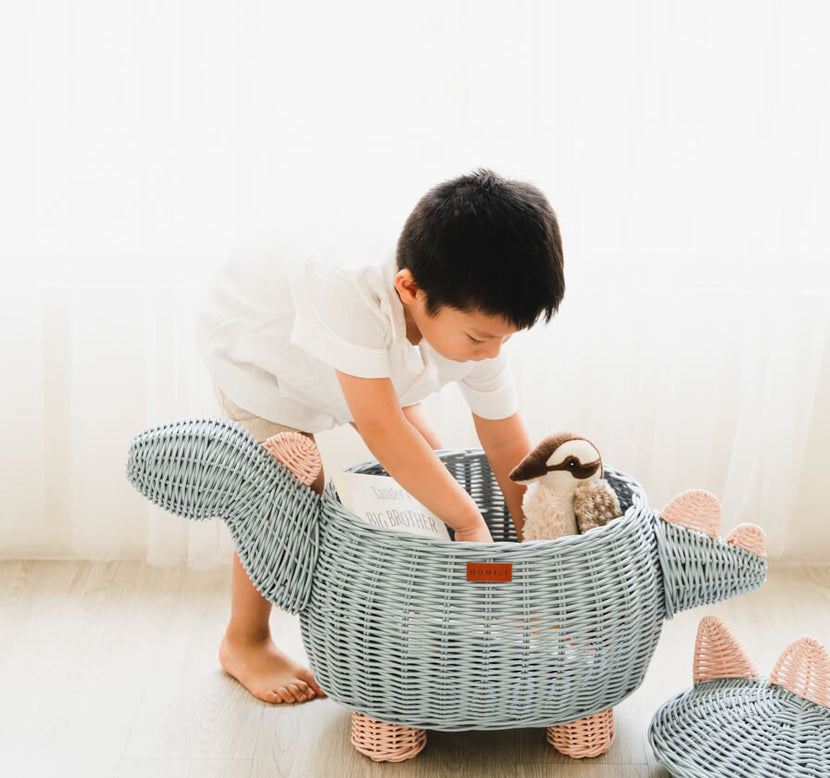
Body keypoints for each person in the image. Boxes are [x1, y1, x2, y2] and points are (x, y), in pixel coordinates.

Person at [196, 167, 565, 704]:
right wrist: (467, 522)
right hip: (264, 352)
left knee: (437, 474)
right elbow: (379, 425)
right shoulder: (346, 285)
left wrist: (536, 548)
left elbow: (508, 448)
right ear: (410, 289)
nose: (493, 353)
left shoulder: (473, 321)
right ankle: (244, 639)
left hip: (373, 353)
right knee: (287, 484)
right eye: (483, 338)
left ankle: (442, 603)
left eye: (506, 338)